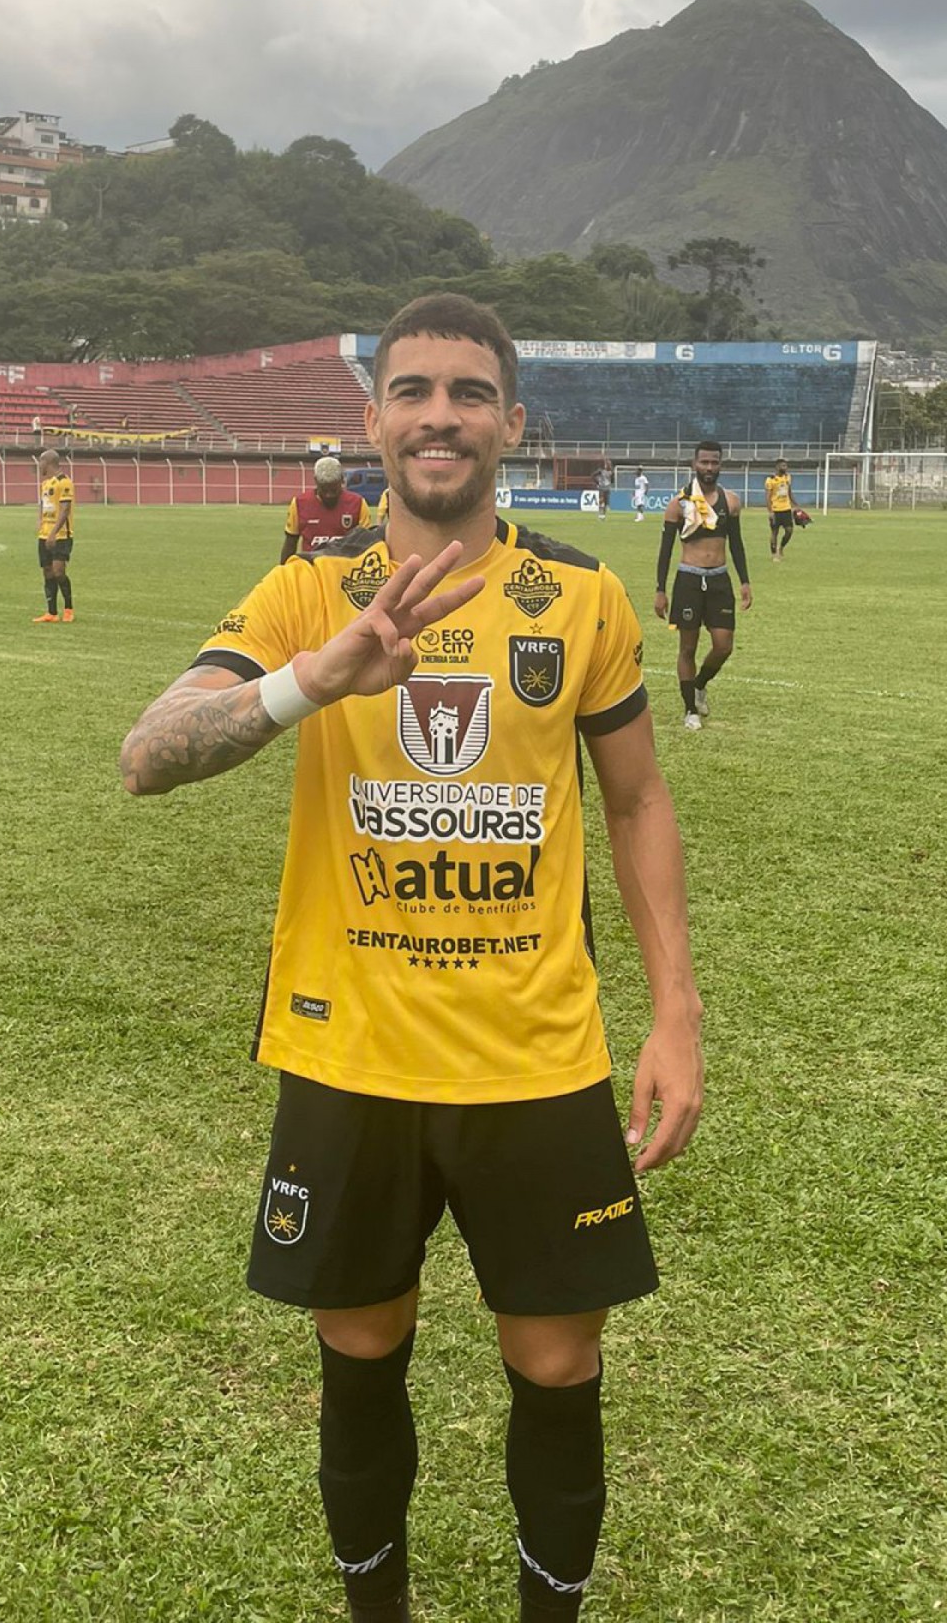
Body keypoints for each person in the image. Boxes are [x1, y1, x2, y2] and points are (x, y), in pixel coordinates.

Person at [121, 291, 703, 1622]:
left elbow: (636, 802)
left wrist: (676, 1015)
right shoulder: (307, 591)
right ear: (371, 417)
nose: (442, 415)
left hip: (539, 1054)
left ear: (510, 420)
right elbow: (147, 757)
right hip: (350, 1052)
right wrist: (310, 682)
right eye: (416, 390)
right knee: (363, 1345)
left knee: (557, 1363)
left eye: (469, 392)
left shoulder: (585, 596)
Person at [654, 440, 751, 731]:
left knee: (723, 646)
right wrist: (660, 589)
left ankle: (699, 685)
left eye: (714, 462)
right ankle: (689, 710)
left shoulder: (730, 501)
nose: (709, 468)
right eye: (704, 462)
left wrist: (745, 581)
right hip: (689, 580)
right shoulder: (679, 504)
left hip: (719, 579)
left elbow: (736, 543)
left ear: (721, 465)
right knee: (688, 647)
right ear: (694, 464)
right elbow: (665, 550)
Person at [280, 455, 371, 564]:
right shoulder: (299, 503)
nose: (329, 495)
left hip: (345, 572)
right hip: (313, 572)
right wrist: (284, 573)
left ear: (342, 480)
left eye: (333, 490)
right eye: (324, 489)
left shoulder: (358, 504)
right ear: (316, 481)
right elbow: (290, 542)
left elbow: (368, 546)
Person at [32, 449, 76, 623]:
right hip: (44, 534)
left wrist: (53, 533)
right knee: (47, 572)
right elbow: (43, 504)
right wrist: (39, 520)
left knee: (59, 571)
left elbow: (65, 510)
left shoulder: (64, 482)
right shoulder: (45, 484)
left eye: (40, 462)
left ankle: (68, 608)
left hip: (61, 535)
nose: (39, 466)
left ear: (48, 463)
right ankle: (51, 612)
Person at [764, 461, 795, 561]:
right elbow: (768, 497)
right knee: (774, 532)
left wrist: (795, 505)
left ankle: (781, 547)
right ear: (777, 467)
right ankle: (774, 554)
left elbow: (789, 492)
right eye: (783, 465)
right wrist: (770, 512)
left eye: (786, 465)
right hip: (776, 510)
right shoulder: (770, 480)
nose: (785, 467)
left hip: (786, 509)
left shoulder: (788, 477)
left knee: (789, 530)